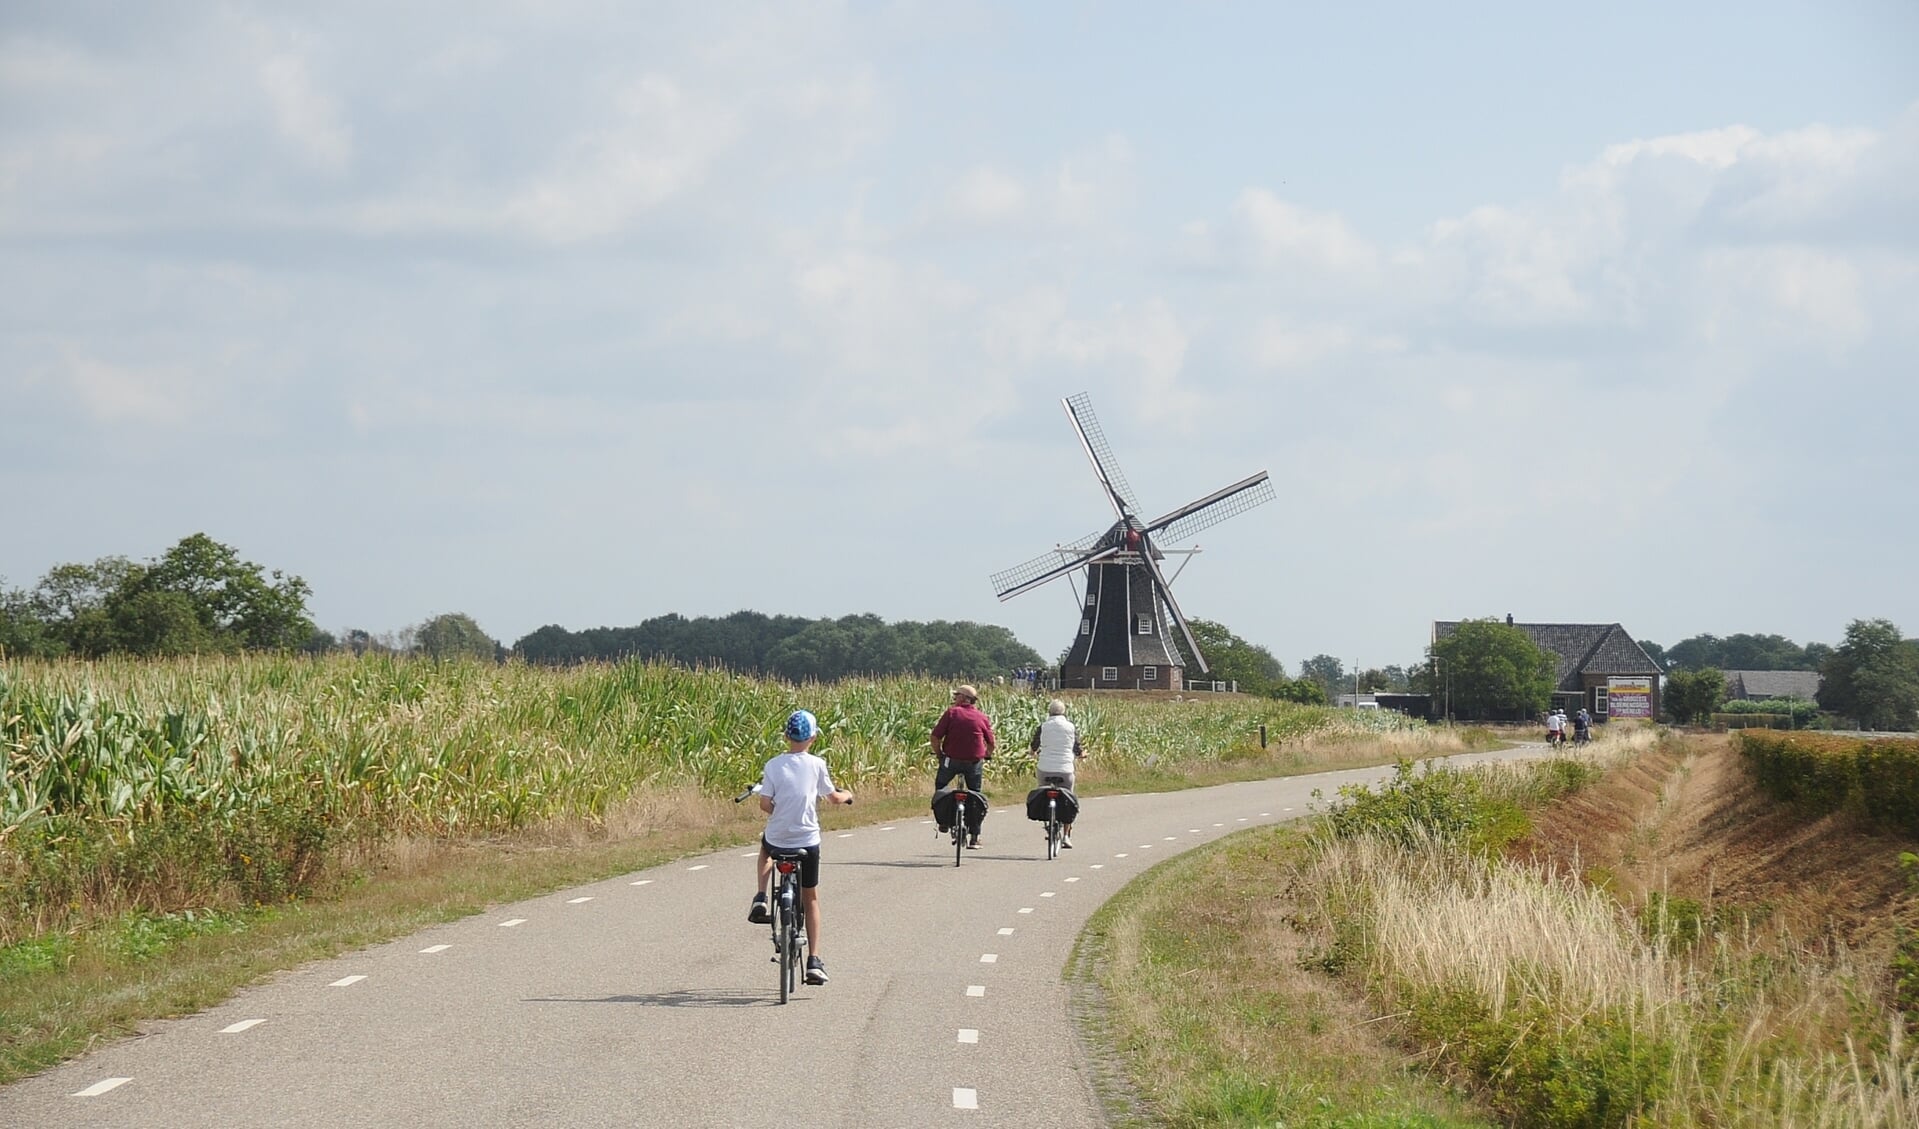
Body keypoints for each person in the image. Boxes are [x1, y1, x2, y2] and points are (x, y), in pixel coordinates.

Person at [747, 709, 853, 986]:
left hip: (778, 838)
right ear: (813, 737)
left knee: (765, 850)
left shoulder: (772, 765)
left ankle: (760, 896)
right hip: (807, 841)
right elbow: (832, 798)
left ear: (786, 736)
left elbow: (764, 804)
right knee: (811, 897)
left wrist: (778, 808)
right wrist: (847, 795)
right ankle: (814, 961)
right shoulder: (817, 765)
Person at [931, 683, 996, 848]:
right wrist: (987, 754)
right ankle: (975, 836)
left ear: (963, 698)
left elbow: (935, 737)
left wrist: (939, 754)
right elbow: (991, 742)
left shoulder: (952, 713)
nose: (954, 699)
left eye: (956, 696)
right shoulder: (981, 717)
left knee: (941, 786)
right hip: (974, 761)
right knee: (975, 795)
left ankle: (944, 821)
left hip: (951, 760)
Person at [1029, 698, 1084, 847]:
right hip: (1065, 768)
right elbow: (1076, 746)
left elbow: (1035, 744)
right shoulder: (1070, 727)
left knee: (1042, 790)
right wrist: (1080, 754)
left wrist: (1032, 751)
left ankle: (1048, 820)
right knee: (1069, 799)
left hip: (1045, 767)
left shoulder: (1044, 726)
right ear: (1064, 712)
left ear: (1049, 712)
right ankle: (1066, 835)